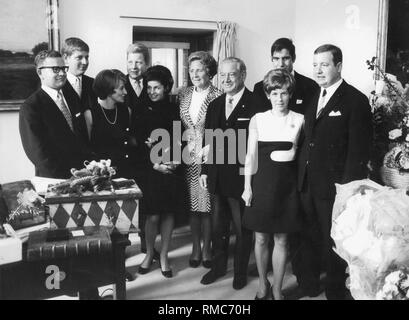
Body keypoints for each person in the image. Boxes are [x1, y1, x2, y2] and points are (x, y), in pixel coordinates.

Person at [296, 44, 372, 300]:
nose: (318, 70)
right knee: (308, 238)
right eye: (315, 64)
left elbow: (358, 152)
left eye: (324, 64)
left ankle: (335, 292)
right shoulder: (312, 96)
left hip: (334, 188)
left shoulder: (355, 101)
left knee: (334, 245)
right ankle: (308, 286)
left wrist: (347, 192)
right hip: (307, 183)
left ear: (339, 66)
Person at [242, 69, 303, 300]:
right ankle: (262, 284)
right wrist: (247, 187)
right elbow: (250, 156)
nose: (279, 98)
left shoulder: (300, 120)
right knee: (260, 238)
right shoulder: (258, 119)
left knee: (282, 239)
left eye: (284, 93)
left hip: (286, 188)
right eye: (275, 92)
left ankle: (277, 289)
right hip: (261, 185)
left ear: (290, 94)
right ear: (268, 94)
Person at [200, 57, 256, 290]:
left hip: (242, 178)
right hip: (216, 176)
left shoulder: (257, 103)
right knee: (217, 226)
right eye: (222, 75)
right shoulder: (214, 104)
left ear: (242, 74)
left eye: (231, 74)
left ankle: (240, 272)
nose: (226, 79)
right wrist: (204, 171)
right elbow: (208, 140)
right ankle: (219, 266)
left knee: (242, 228)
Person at [136, 65, 186, 278]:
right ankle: (149, 253)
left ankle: (164, 255)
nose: (152, 92)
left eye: (156, 88)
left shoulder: (175, 109)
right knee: (152, 216)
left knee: (168, 213)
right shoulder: (139, 109)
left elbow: (180, 139)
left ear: (166, 87)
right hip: (151, 170)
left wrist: (175, 162)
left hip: (171, 170)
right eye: (148, 88)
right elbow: (137, 143)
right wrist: (154, 164)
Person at [178, 51, 223, 269]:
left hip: (209, 158)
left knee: (206, 207)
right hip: (188, 157)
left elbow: (223, 131)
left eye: (200, 69)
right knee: (192, 207)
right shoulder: (184, 95)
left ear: (209, 71)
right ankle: (195, 247)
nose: (195, 74)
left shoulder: (219, 95)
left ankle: (207, 249)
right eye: (192, 70)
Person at [19, 50, 93, 178]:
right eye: (55, 69)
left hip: (83, 177)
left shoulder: (72, 97)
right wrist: (69, 178)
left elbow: (82, 138)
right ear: (40, 72)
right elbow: (39, 154)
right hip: (54, 182)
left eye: (64, 68)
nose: (62, 73)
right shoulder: (31, 107)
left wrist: (89, 169)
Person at [84, 69, 136, 179]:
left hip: (127, 173)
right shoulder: (90, 114)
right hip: (101, 177)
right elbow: (86, 149)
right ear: (108, 90)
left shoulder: (126, 111)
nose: (125, 92)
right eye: (121, 88)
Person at [125, 42, 152, 255]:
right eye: (130, 61)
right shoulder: (118, 84)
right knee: (125, 202)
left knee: (147, 201)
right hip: (127, 153)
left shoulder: (153, 84)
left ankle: (147, 244)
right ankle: (123, 248)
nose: (134, 66)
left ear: (147, 64)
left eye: (139, 62)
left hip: (150, 152)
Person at [253, 38, 318, 114]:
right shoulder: (259, 88)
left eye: (285, 58)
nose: (281, 64)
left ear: (293, 58)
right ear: (271, 59)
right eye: (276, 59)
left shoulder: (310, 86)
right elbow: (258, 120)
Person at [61, 37, 97, 117]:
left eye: (86, 57)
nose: (85, 62)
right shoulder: (58, 85)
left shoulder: (93, 83)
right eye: (79, 58)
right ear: (65, 58)